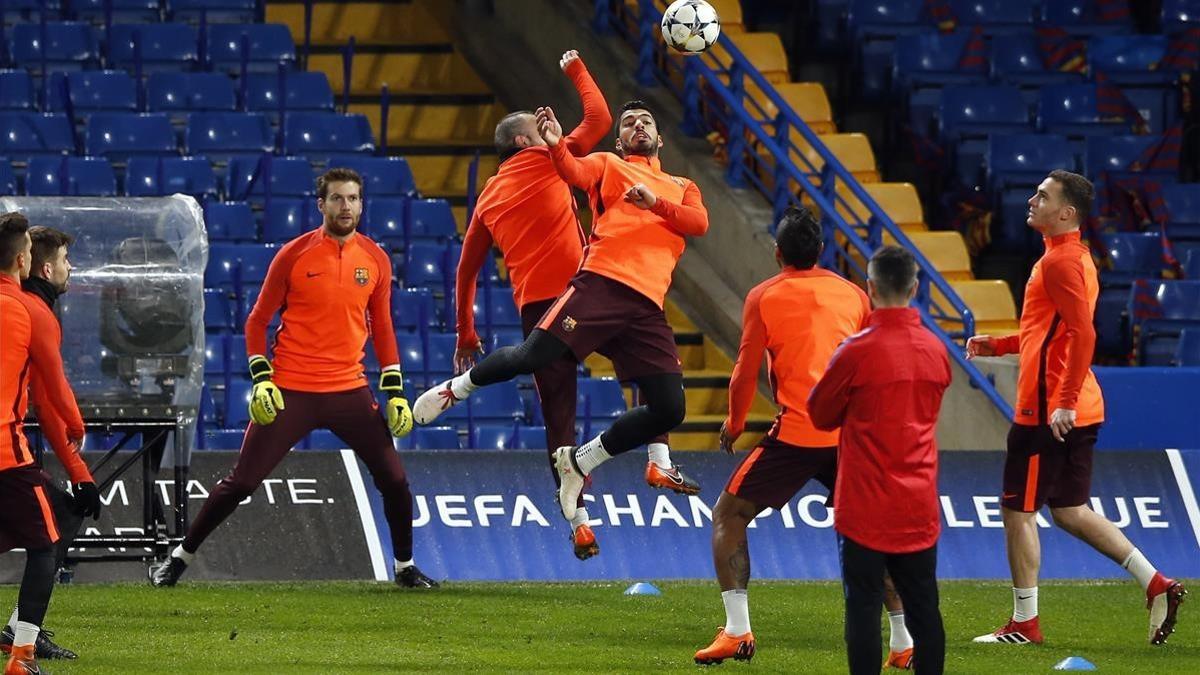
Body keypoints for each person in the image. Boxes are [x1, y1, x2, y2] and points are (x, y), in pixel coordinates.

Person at [454, 51, 698, 561]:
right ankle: (644, 462)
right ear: (527, 141)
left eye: (645, 121)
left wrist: (465, 331)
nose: (637, 125)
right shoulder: (569, 159)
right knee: (604, 385)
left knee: (568, 412)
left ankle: (585, 514)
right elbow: (594, 130)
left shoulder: (487, 198)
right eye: (536, 126)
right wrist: (575, 75)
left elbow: (466, 268)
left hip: (563, 296)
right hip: (589, 285)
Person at [150, 168, 437, 589]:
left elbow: (384, 325)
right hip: (291, 390)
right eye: (337, 199)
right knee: (242, 482)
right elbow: (256, 322)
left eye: (353, 199)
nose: (346, 207)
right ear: (320, 205)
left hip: (349, 390)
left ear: (362, 204)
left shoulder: (375, 258)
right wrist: (262, 379)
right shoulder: (293, 254)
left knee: (394, 479)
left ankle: (405, 568)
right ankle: (178, 558)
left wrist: (393, 390)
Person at [967, 170, 1186, 645]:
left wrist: (1060, 402)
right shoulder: (1070, 258)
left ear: (1066, 213)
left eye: (1042, 196)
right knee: (1069, 510)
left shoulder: (1060, 263)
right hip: (1078, 405)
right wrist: (1000, 344)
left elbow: (1085, 333)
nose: (1032, 199)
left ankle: (1025, 623)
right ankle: (1157, 583)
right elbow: (1054, 333)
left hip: (1049, 409)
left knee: (1017, 512)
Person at [694, 206, 874, 665]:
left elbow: (744, 371)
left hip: (797, 433)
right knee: (874, 528)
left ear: (777, 253)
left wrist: (734, 424)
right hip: (850, 434)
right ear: (822, 251)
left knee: (729, 515)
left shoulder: (764, 296)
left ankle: (737, 632)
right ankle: (902, 642)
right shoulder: (854, 295)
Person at [808, 246, 951, 675]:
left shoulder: (855, 352)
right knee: (925, 609)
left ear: (869, 288)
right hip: (917, 505)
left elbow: (819, 414)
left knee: (863, 609)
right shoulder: (934, 349)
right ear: (915, 287)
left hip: (864, 505)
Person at [0, 213, 101, 675]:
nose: (71, 267)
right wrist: (79, 451)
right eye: (65, 260)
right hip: (7, 452)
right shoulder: (30, 312)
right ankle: (22, 649)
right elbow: (51, 394)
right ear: (30, 264)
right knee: (49, 539)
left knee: (56, 517)